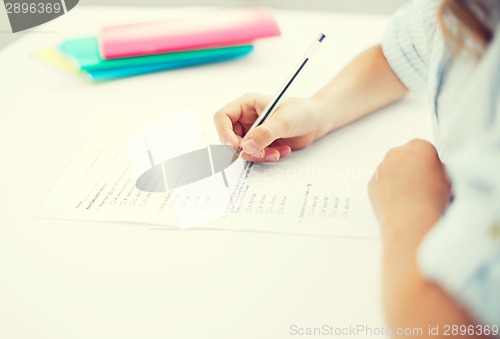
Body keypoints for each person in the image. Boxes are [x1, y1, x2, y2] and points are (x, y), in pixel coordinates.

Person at [214, 0, 500, 337]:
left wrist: (410, 205)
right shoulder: (462, 9)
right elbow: (395, 60)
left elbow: (442, 326)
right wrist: (319, 111)